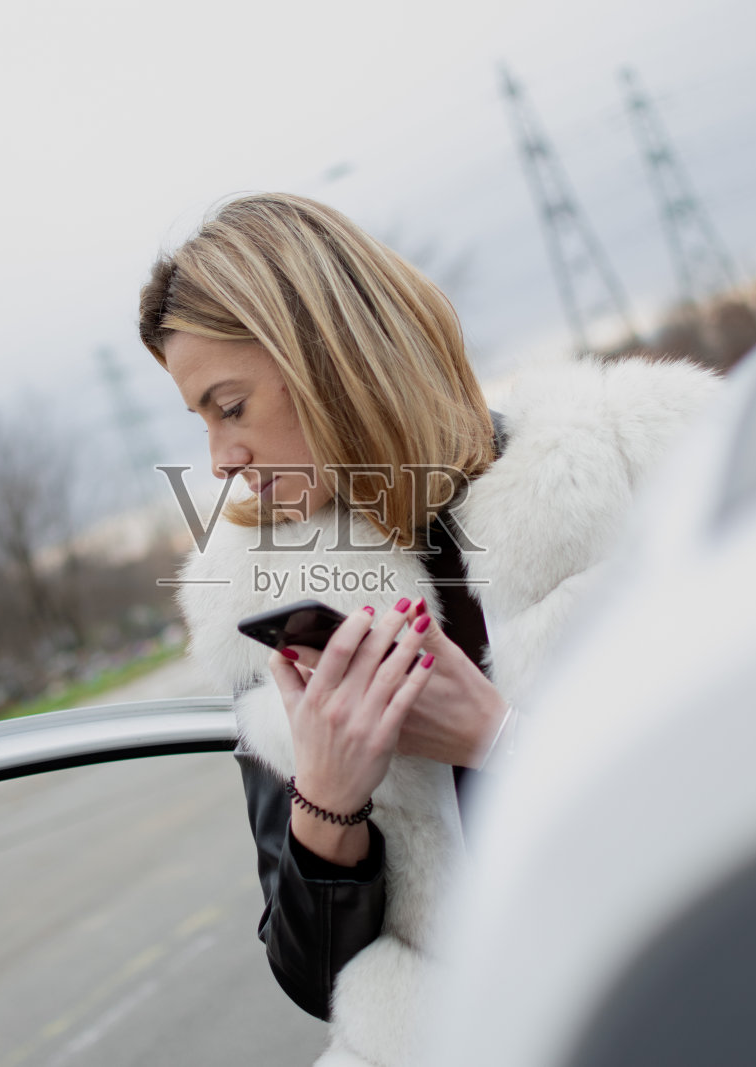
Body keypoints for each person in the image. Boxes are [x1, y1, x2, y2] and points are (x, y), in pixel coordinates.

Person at [139, 193, 719, 1067]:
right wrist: (327, 801)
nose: (220, 460)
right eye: (202, 421)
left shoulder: (639, 467)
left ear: (330, 360)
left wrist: (499, 738)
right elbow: (310, 975)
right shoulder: (259, 604)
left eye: (230, 406)